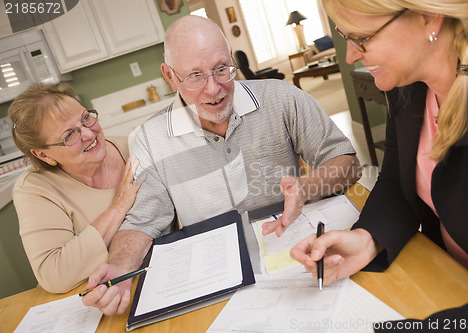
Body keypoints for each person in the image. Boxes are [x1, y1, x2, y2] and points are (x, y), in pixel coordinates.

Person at [82, 15, 361, 315]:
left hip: (296, 258)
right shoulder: (151, 138)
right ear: (169, 76)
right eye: (195, 75)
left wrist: (307, 187)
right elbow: (141, 222)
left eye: (221, 69)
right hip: (213, 281)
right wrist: (120, 269)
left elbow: (347, 162)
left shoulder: (282, 97)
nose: (214, 88)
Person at [291, 0, 468, 325]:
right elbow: (395, 182)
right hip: (448, 280)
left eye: (361, 38)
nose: (350, 56)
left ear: (429, 17)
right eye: (344, 37)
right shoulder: (408, 83)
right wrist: (365, 239)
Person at [8, 83, 144, 293]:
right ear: (43, 155)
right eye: (69, 135)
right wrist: (118, 207)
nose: (89, 134)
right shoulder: (35, 189)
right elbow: (55, 275)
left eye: (86, 118)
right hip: (89, 299)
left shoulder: (134, 149)